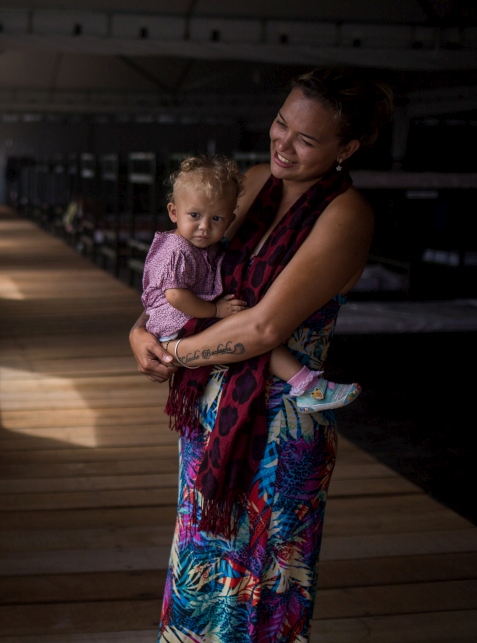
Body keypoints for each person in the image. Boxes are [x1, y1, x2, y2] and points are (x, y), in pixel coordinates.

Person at [128, 68, 393, 642]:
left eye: (307, 139)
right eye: (280, 123)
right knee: (200, 569)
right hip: (210, 416)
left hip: (276, 431)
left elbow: (264, 325)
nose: (283, 143)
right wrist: (142, 327)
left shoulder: (346, 215)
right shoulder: (248, 182)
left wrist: (176, 352)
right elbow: (191, 263)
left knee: (258, 593)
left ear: (346, 148)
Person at [143, 154, 361, 413]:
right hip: (175, 322)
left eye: (216, 219)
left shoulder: (197, 245)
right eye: (195, 215)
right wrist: (216, 311)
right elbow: (176, 296)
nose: (204, 227)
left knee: (247, 334)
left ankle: (307, 386)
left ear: (231, 220)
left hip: (180, 319)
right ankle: (307, 386)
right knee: (248, 335)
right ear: (173, 212)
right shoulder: (177, 250)